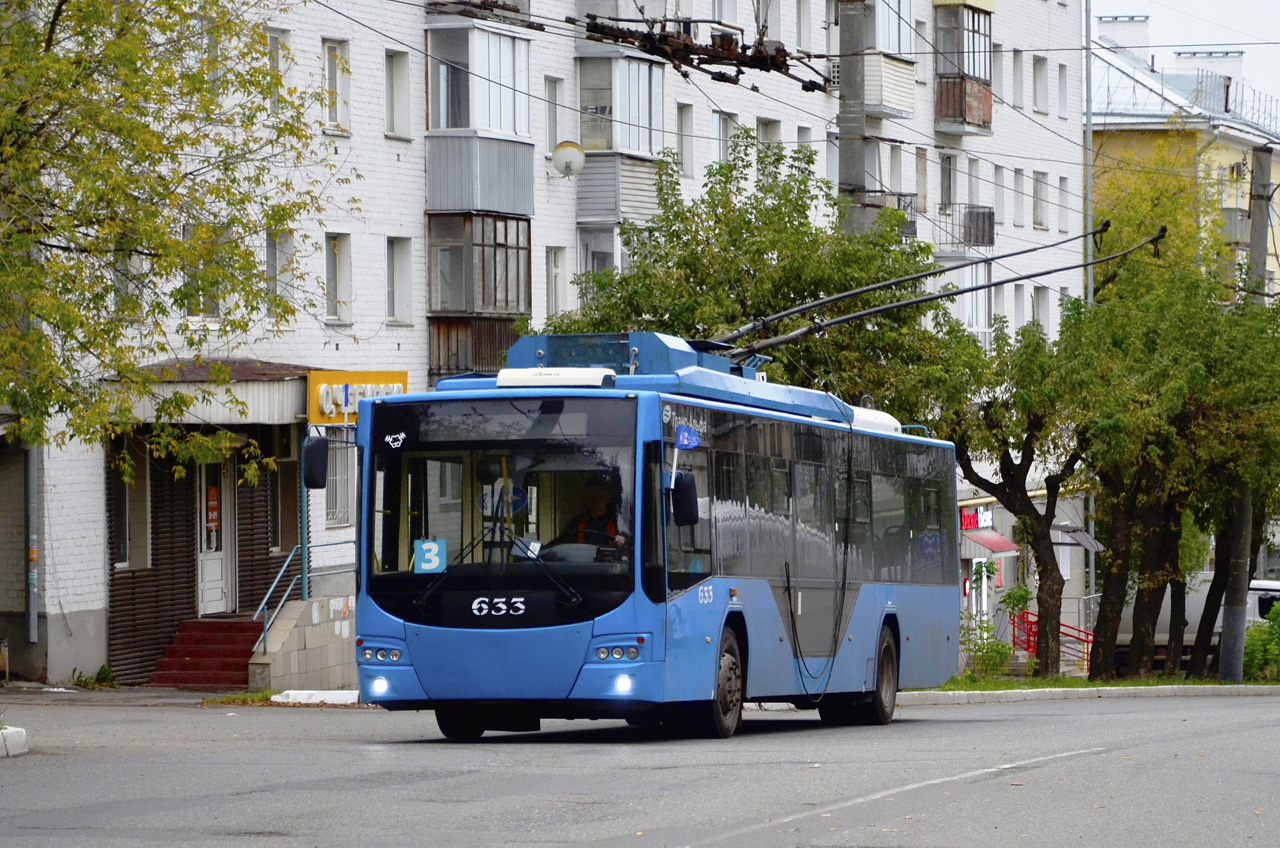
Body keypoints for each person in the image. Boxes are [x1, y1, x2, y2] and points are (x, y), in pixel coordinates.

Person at [554, 482, 626, 547]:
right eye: (591, 497)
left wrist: (621, 540)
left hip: (607, 561)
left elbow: (627, 543)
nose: (595, 500)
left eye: (598, 497)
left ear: (607, 498)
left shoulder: (617, 522)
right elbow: (561, 542)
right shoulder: (577, 522)